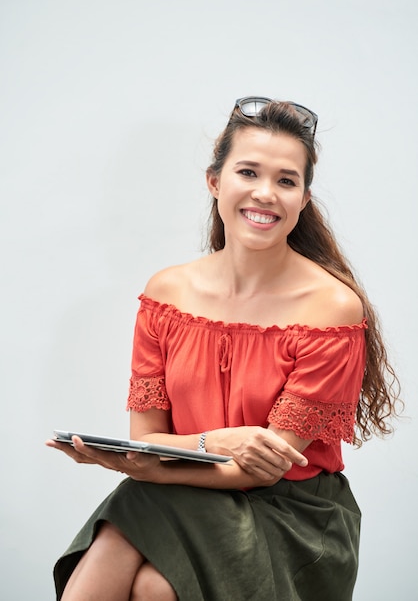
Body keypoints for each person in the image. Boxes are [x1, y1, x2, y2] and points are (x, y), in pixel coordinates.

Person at [47, 96, 401, 601]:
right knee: (151, 581)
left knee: (140, 507)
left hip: (294, 514)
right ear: (215, 182)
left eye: (286, 180)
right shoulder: (167, 294)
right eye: (248, 172)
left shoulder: (331, 309)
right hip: (185, 488)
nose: (265, 193)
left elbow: (261, 467)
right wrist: (220, 441)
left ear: (303, 198)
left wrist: (158, 463)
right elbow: (145, 437)